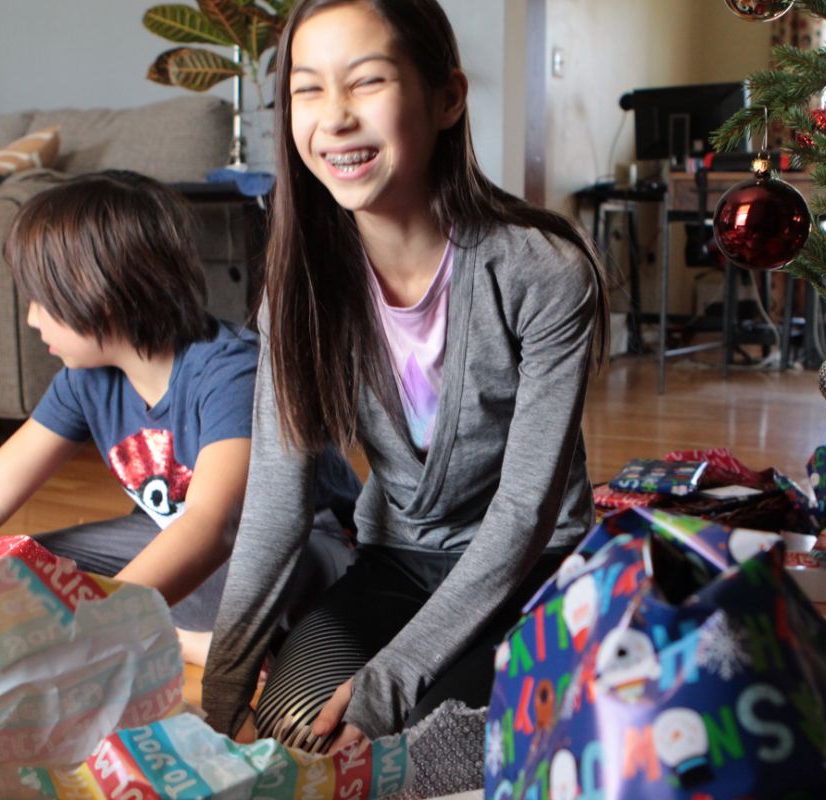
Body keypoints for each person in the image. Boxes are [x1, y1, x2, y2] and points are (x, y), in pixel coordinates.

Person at [201, 0, 609, 752]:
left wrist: (388, 683)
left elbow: (525, 511)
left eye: (367, 81)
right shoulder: (299, 289)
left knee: (429, 751)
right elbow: (278, 500)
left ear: (447, 98)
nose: (335, 118)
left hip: (533, 567)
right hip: (397, 560)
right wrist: (220, 698)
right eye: (307, 88)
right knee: (297, 730)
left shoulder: (543, 271)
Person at [0, 170, 361, 665]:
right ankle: (185, 637)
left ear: (100, 293)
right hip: (179, 545)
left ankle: (200, 639)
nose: (31, 318)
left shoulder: (233, 372)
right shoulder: (86, 378)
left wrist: (96, 627)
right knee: (14, 568)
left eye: (41, 300)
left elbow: (214, 525)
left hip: (304, 551)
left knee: (250, 578)